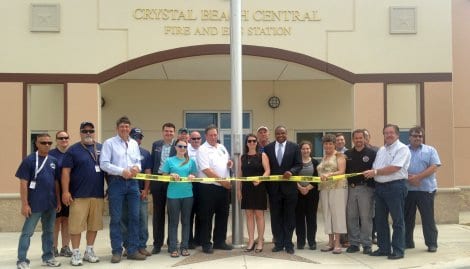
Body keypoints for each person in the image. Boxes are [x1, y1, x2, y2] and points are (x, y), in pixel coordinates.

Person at [100, 116, 146, 263]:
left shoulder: (133, 143)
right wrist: (121, 171)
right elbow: (104, 164)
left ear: (130, 128)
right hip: (116, 183)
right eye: (122, 127)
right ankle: (116, 251)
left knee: (135, 217)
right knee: (116, 219)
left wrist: (136, 168)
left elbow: (138, 162)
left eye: (127, 126)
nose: (125, 129)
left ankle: (132, 250)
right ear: (117, 128)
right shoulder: (109, 143)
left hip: (133, 183)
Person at [364, 124, 411, 260]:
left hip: (395, 187)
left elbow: (395, 167)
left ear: (397, 134)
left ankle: (398, 250)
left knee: (397, 220)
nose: (388, 135)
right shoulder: (382, 150)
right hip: (380, 188)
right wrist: (374, 172)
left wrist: (376, 172)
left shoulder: (402, 149)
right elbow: (375, 166)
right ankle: (384, 248)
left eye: (391, 133)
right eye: (386, 133)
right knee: (380, 220)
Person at [15, 133, 61, 269]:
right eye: (43, 143)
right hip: (34, 205)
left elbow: (56, 182)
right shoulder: (29, 160)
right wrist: (24, 204)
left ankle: (48, 257)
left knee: (48, 232)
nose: (47, 145)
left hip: (50, 204)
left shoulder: (53, 160)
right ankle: (22, 260)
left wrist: (58, 201)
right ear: (36, 143)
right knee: (27, 233)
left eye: (49, 143)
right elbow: (23, 183)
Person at [62, 122, 105, 266]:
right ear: (80, 132)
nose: (88, 133)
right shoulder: (72, 150)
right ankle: (75, 253)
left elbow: (107, 169)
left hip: (97, 195)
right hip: (78, 196)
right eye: (85, 131)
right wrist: (65, 191)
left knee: (94, 225)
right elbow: (66, 172)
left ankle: (89, 251)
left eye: (91, 131)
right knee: (76, 226)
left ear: (94, 132)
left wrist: (110, 188)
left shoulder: (101, 148)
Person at [264, 125, 302, 254]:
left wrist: (291, 172)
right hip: (274, 189)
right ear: (275, 135)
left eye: (283, 133)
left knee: (290, 217)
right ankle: (279, 243)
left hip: (290, 189)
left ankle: (288, 243)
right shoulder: (268, 148)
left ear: (287, 134)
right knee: (275, 217)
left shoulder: (295, 147)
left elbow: (299, 164)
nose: (280, 135)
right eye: (278, 133)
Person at [196, 124, 233, 254]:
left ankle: (220, 242)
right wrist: (223, 182)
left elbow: (227, 161)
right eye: (210, 135)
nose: (213, 137)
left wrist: (230, 163)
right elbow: (206, 170)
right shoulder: (202, 149)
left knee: (223, 215)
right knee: (206, 217)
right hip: (208, 188)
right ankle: (206, 244)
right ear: (206, 136)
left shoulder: (222, 147)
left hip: (223, 189)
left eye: (215, 135)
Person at [405, 126, 441, 253]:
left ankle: (432, 243)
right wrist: (409, 178)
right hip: (408, 190)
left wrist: (418, 178)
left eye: (420, 136)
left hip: (426, 190)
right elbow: (399, 167)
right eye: (415, 135)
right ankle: (407, 242)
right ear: (410, 137)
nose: (417, 138)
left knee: (428, 218)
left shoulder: (430, 150)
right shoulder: (404, 150)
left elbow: (434, 166)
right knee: (407, 218)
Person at [162, 139, 198, 258]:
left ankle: (184, 247)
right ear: (176, 147)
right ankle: (173, 248)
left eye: (185, 147)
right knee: (173, 222)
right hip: (173, 196)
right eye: (180, 146)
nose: (183, 148)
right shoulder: (169, 160)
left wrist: (192, 176)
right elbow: (163, 175)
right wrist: (171, 175)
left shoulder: (191, 161)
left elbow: (195, 175)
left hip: (188, 195)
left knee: (186, 222)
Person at [120, 128, 152, 257]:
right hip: (124, 192)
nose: (137, 139)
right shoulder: (122, 151)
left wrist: (146, 189)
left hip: (140, 192)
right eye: (135, 136)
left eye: (139, 137)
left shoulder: (145, 153)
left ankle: (141, 246)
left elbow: (148, 173)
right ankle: (128, 247)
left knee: (142, 220)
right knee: (125, 220)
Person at [344, 129, 376, 255]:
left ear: (364, 139)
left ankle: (367, 244)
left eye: (360, 138)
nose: (358, 140)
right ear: (353, 139)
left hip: (366, 189)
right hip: (351, 189)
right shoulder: (348, 154)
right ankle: (354, 243)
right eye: (356, 138)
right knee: (351, 217)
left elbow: (375, 169)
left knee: (366, 217)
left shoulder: (372, 153)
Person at [237, 134, 270, 253]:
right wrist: (239, 190)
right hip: (246, 189)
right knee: (249, 215)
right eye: (249, 141)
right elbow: (240, 175)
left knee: (259, 215)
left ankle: (260, 241)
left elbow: (267, 171)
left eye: (254, 141)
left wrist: (260, 179)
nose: (251, 143)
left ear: (257, 143)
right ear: (246, 143)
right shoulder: (243, 157)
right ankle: (251, 241)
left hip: (259, 188)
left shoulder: (262, 155)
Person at [317, 134, 347, 254]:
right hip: (324, 189)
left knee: (337, 215)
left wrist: (329, 175)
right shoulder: (323, 158)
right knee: (327, 215)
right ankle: (330, 242)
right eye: (326, 143)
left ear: (334, 144)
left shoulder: (339, 156)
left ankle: (337, 243)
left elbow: (341, 171)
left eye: (330, 143)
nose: (328, 145)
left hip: (338, 188)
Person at [150, 122, 176, 254]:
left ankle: (172, 243)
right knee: (158, 214)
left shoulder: (178, 146)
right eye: (166, 131)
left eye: (171, 131)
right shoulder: (156, 145)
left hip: (172, 182)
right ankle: (157, 244)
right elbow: (152, 163)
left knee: (172, 214)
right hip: (158, 182)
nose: (169, 133)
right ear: (163, 132)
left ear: (174, 133)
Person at [49, 131, 72, 257]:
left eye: (66, 138)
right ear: (56, 140)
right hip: (54, 194)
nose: (64, 140)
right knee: (56, 221)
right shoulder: (51, 154)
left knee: (67, 220)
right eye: (61, 138)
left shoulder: (72, 153)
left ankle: (65, 247)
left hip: (69, 193)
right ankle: (53, 247)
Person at [295, 141, 320, 251]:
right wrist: (300, 188)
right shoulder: (296, 162)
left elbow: (317, 179)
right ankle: (300, 242)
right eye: (303, 149)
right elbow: (293, 177)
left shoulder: (315, 162)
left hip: (312, 194)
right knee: (299, 218)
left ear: (310, 150)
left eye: (307, 148)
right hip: (298, 193)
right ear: (300, 150)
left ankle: (311, 242)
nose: (305, 151)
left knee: (311, 218)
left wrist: (307, 188)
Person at [187, 131, 202, 249]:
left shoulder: (203, 150)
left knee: (200, 213)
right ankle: (189, 240)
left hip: (202, 185)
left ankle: (199, 239)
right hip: (189, 185)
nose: (196, 140)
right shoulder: (185, 150)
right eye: (194, 139)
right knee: (189, 214)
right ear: (189, 140)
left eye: (198, 138)